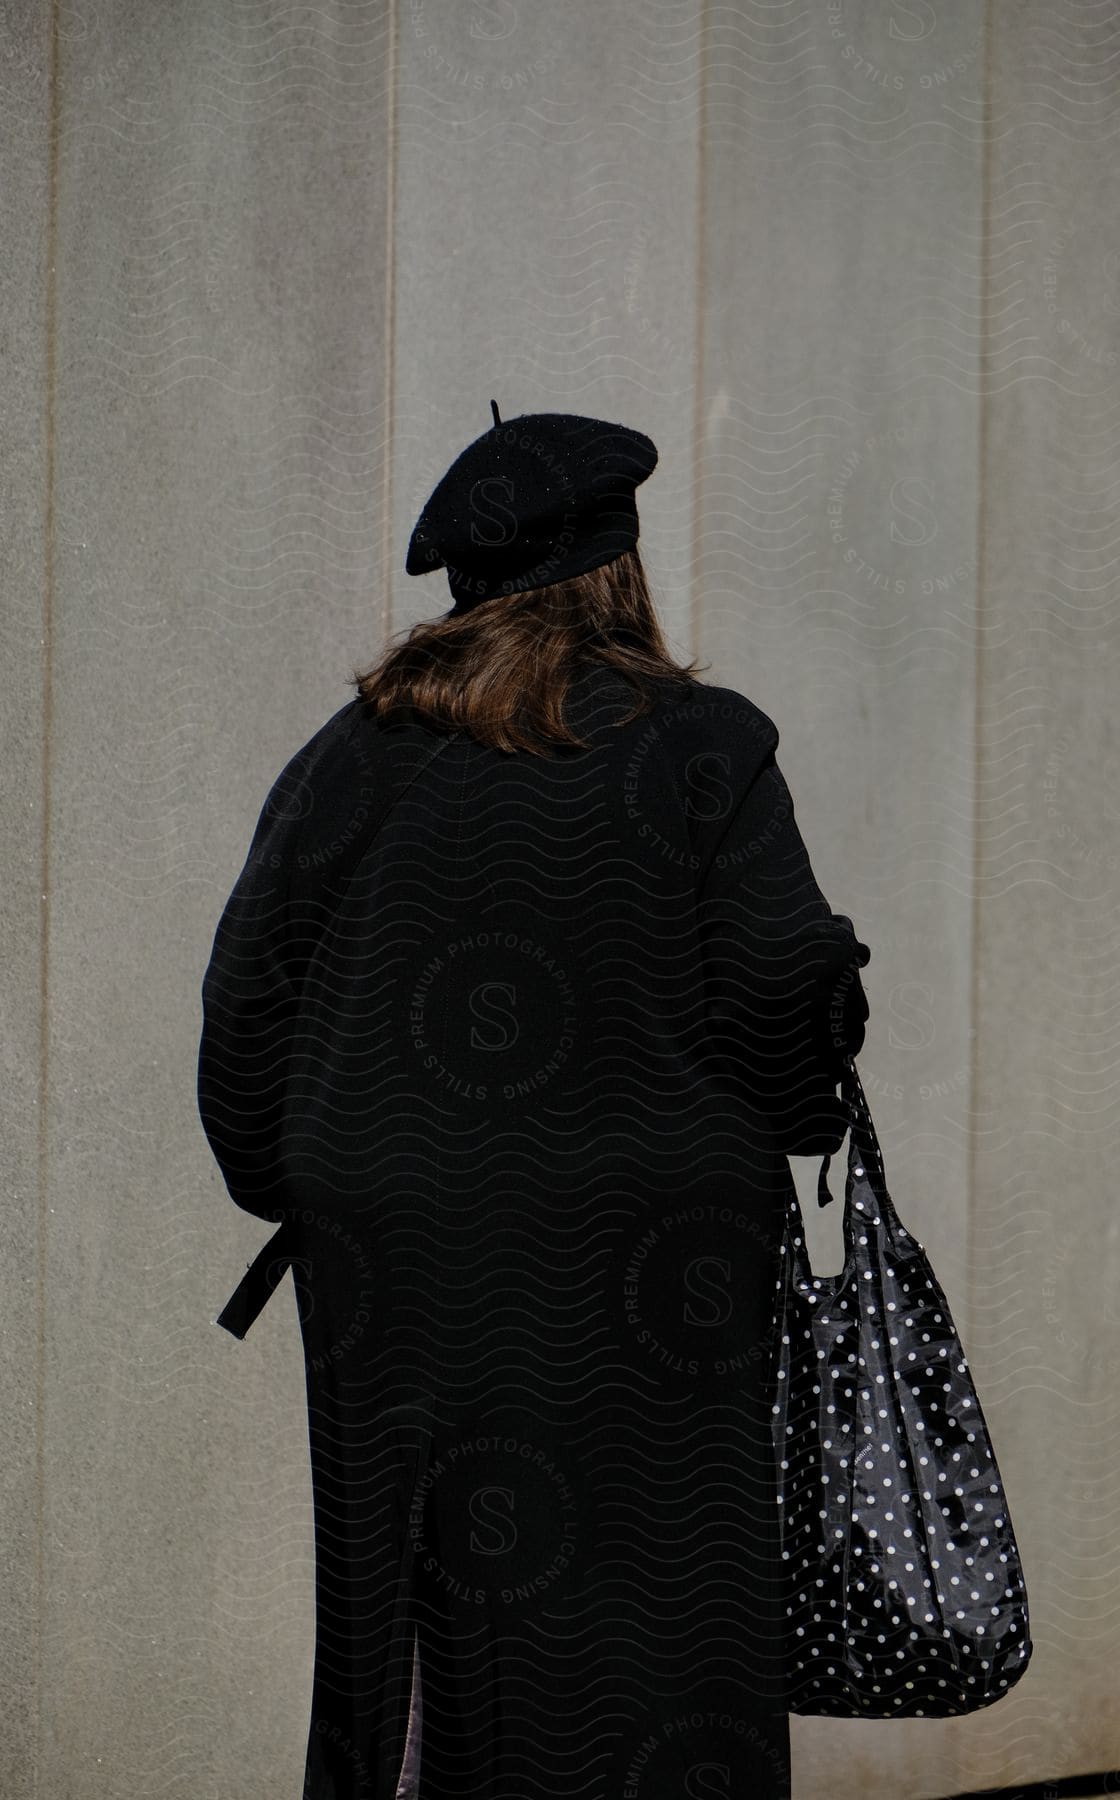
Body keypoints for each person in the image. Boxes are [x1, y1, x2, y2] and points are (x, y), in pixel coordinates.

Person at [197, 405, 869, 1800]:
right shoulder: (702, 748)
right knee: (662, 1648)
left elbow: (245, 1021)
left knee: (423, 1644)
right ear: (619, 567)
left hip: (400, 1286)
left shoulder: (349, 758)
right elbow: (789, 1024)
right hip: (659, 1297)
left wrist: (314, 1186)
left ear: (465, 583)